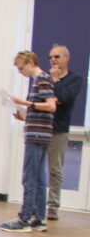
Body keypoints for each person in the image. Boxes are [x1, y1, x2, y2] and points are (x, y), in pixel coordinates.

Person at [0, 51, 56, 232]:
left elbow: (51, 105)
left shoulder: (42, 80)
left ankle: (24, 219)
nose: (20, 72)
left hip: (37, 136)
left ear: (30, 62)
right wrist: (25, 115)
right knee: (39, 178)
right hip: (39, 133)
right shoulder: (41, 81)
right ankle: (39, 219)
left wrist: (25, 103)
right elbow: (44, 109)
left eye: (21, 67)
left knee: (30, 177)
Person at [45, 45, 85, 220]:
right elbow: (42, 99)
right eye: (51, 57)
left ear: (66, 58)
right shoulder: (45, 78)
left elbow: (66, 99)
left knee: (55, 170)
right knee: (36, 169)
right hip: (41, 127)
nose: (53, 60)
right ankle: (34, 204)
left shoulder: (74, 79)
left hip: (58, 130)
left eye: (57, 56)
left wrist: (56, 81)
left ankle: (53, 206)